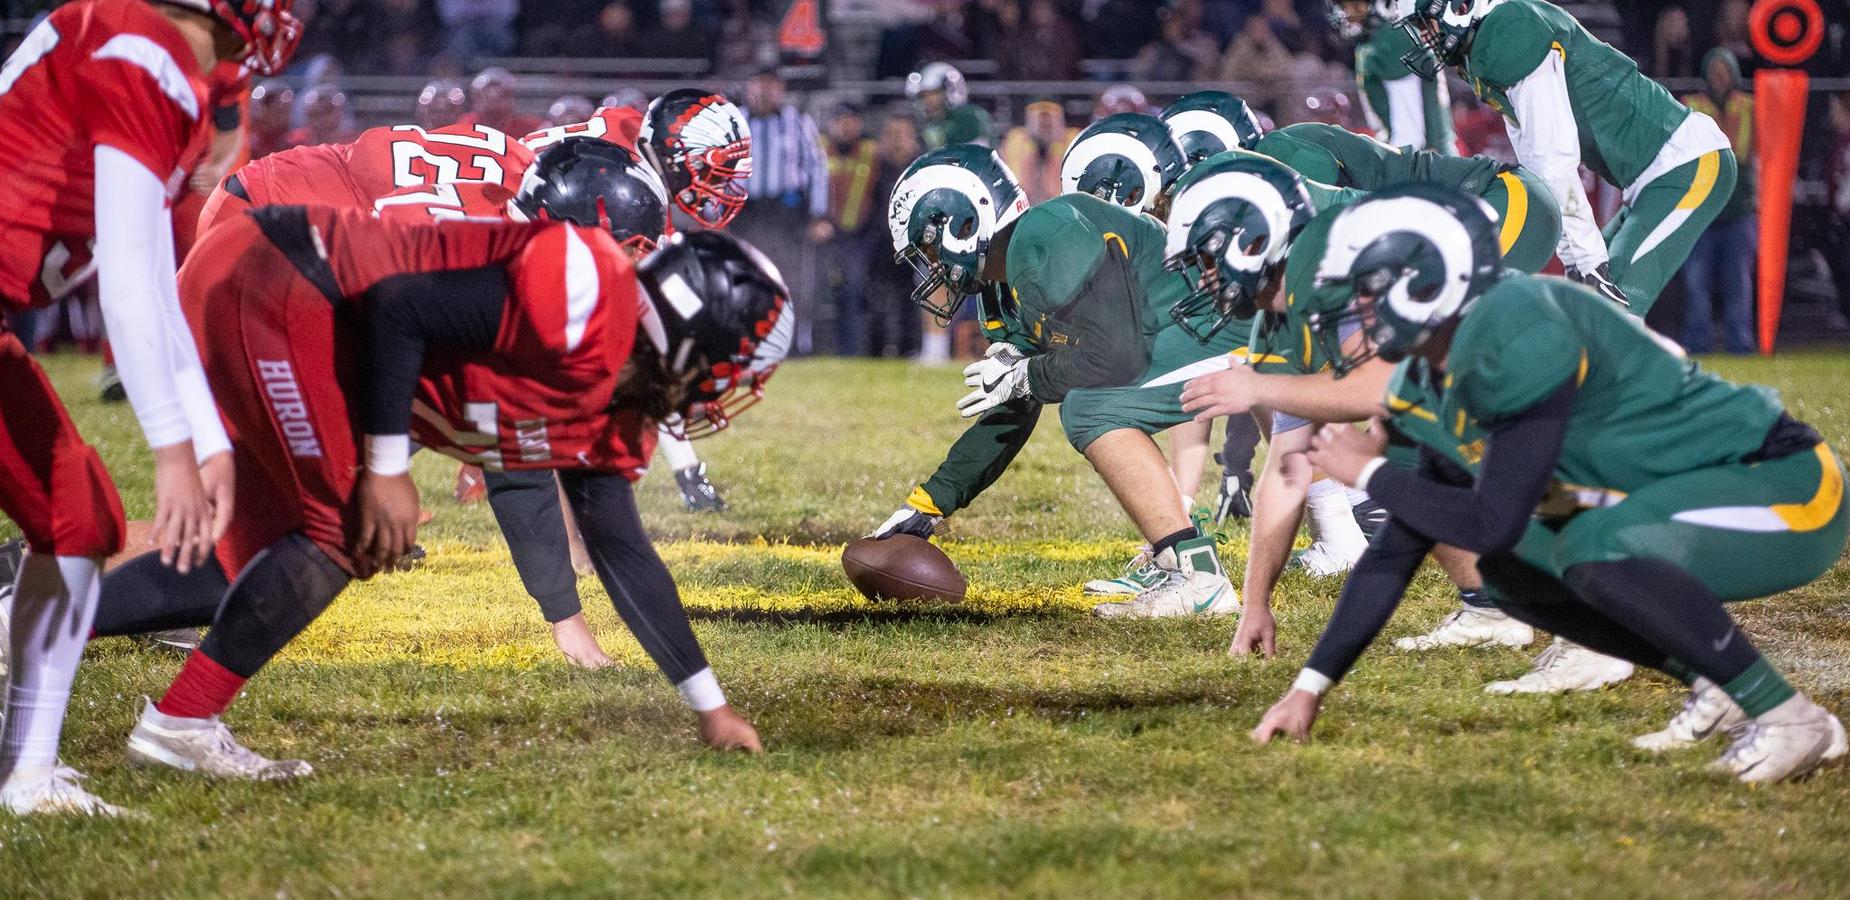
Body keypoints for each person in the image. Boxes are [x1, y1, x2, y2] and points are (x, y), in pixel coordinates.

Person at [107, 207, 790, 779]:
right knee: (346, 533)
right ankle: (182, 722)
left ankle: (33, 617)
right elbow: (399, 308)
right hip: (281, 277)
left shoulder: (619, 409)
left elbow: (623, 552)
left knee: (255, 563)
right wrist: (385, 467)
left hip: (302, 318)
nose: (722, 390)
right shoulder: (587, 289)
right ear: (686, 336)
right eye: (726, 369)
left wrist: (711, 708)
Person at [1252, 185, 1848, 785]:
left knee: (1592, 546)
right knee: (1513, 574)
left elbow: (1493, 517)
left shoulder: (1516, 325)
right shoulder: (1426, 376)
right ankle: (1713, 680)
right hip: (1663, 492)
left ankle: (1789, 717)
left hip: (1777, 482)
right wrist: (1311, 687)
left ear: (1427, 281)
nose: (1358, 313)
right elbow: (1400, 546)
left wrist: (1372, 472)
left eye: (1367, 293)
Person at [0, 0, 301, 818]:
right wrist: (171, 451)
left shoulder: (150, 52)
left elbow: (158, 294)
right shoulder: (141, 48)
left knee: (78, 519)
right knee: (75, 517)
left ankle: (27, 779)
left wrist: (209, 446)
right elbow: (126, 278)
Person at [876, 145, 1246, 619]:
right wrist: (931, 503)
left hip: (1226, 327)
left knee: (1091, 409)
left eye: (927, 249)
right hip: (1186, 334)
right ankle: (1181, 563)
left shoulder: (1046, 235)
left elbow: (1113, 356)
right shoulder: (1001, 283)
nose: (930, 267)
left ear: (963, 223)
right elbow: (1016, 403)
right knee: (1088, 405)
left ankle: (1200, 578)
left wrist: (1027, 375)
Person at [1397, 0, 1736, 315]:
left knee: (1611, 313)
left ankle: (1664, 381)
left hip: (1684, 162)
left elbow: (1552, 153)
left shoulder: (1508, 28)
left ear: (1459, 6)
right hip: (1651, 177)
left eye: (1426, 22)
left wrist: (1586, 259)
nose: (1425, 36)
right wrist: (1573, 254)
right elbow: (1533, 156)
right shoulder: (1484, 47)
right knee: (1581, 309)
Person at [736, 69, 828, 354]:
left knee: (791, 278)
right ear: (749, 88)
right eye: (759, 85)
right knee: (746, 277)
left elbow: (817, 168)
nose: (765, 92)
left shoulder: (797, 122)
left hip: (785, 209)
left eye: (771, 86)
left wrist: (818, 215)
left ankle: (794, 344)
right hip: (746, 210)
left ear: (781, 89)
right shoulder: (735, 121)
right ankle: (748, 342)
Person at [1678, 48, 1756, 355]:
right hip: (1702, 213)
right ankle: (1697, 345)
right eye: (1713, 71)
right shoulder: (1692, 106)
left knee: (1739, 285)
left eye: (1724, 71)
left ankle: (1741, 345)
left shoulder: (1750, 106)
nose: (1719, 77)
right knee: (1696, 287)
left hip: (1739, 210)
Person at [1327, 0, 1457, 154]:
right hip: (1427, 158)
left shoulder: (1391, 41)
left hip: (1424, 163)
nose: (1348, 13)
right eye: (1343, 6)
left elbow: (1410, 135)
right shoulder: (1378, 39)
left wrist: (1387, 167)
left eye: (1356, 5)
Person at [997, 98, 1076, 205]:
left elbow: (1053, 193)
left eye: (1050, 118)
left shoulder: (1071, 138)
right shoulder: (1017, 138)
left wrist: (1055, 149)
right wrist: (1031, 150)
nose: (1045, 124)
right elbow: (1022, 190)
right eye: (1040, 118)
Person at [907, 62, 991, 150]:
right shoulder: (928, 124)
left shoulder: (969, 118)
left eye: (933, 94)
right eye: (923, 96)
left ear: (949, 91)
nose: (927, 101)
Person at [461, 67, 543, 137]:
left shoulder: (530, 126)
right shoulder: (467, 123)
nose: (489, 97)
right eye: (480, 95)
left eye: (502, 94)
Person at [286, 84, 358, 147]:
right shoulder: (294, 141)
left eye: (327, 110)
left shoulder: (354, 142)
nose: (322, 118)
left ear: (340, 111)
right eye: (315, 114)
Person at [247, 79, 298, 161]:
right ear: (259, 109)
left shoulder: (293, 143)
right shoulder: (246, 144)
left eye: (286, 110)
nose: (282, 116)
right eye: (277, 111)